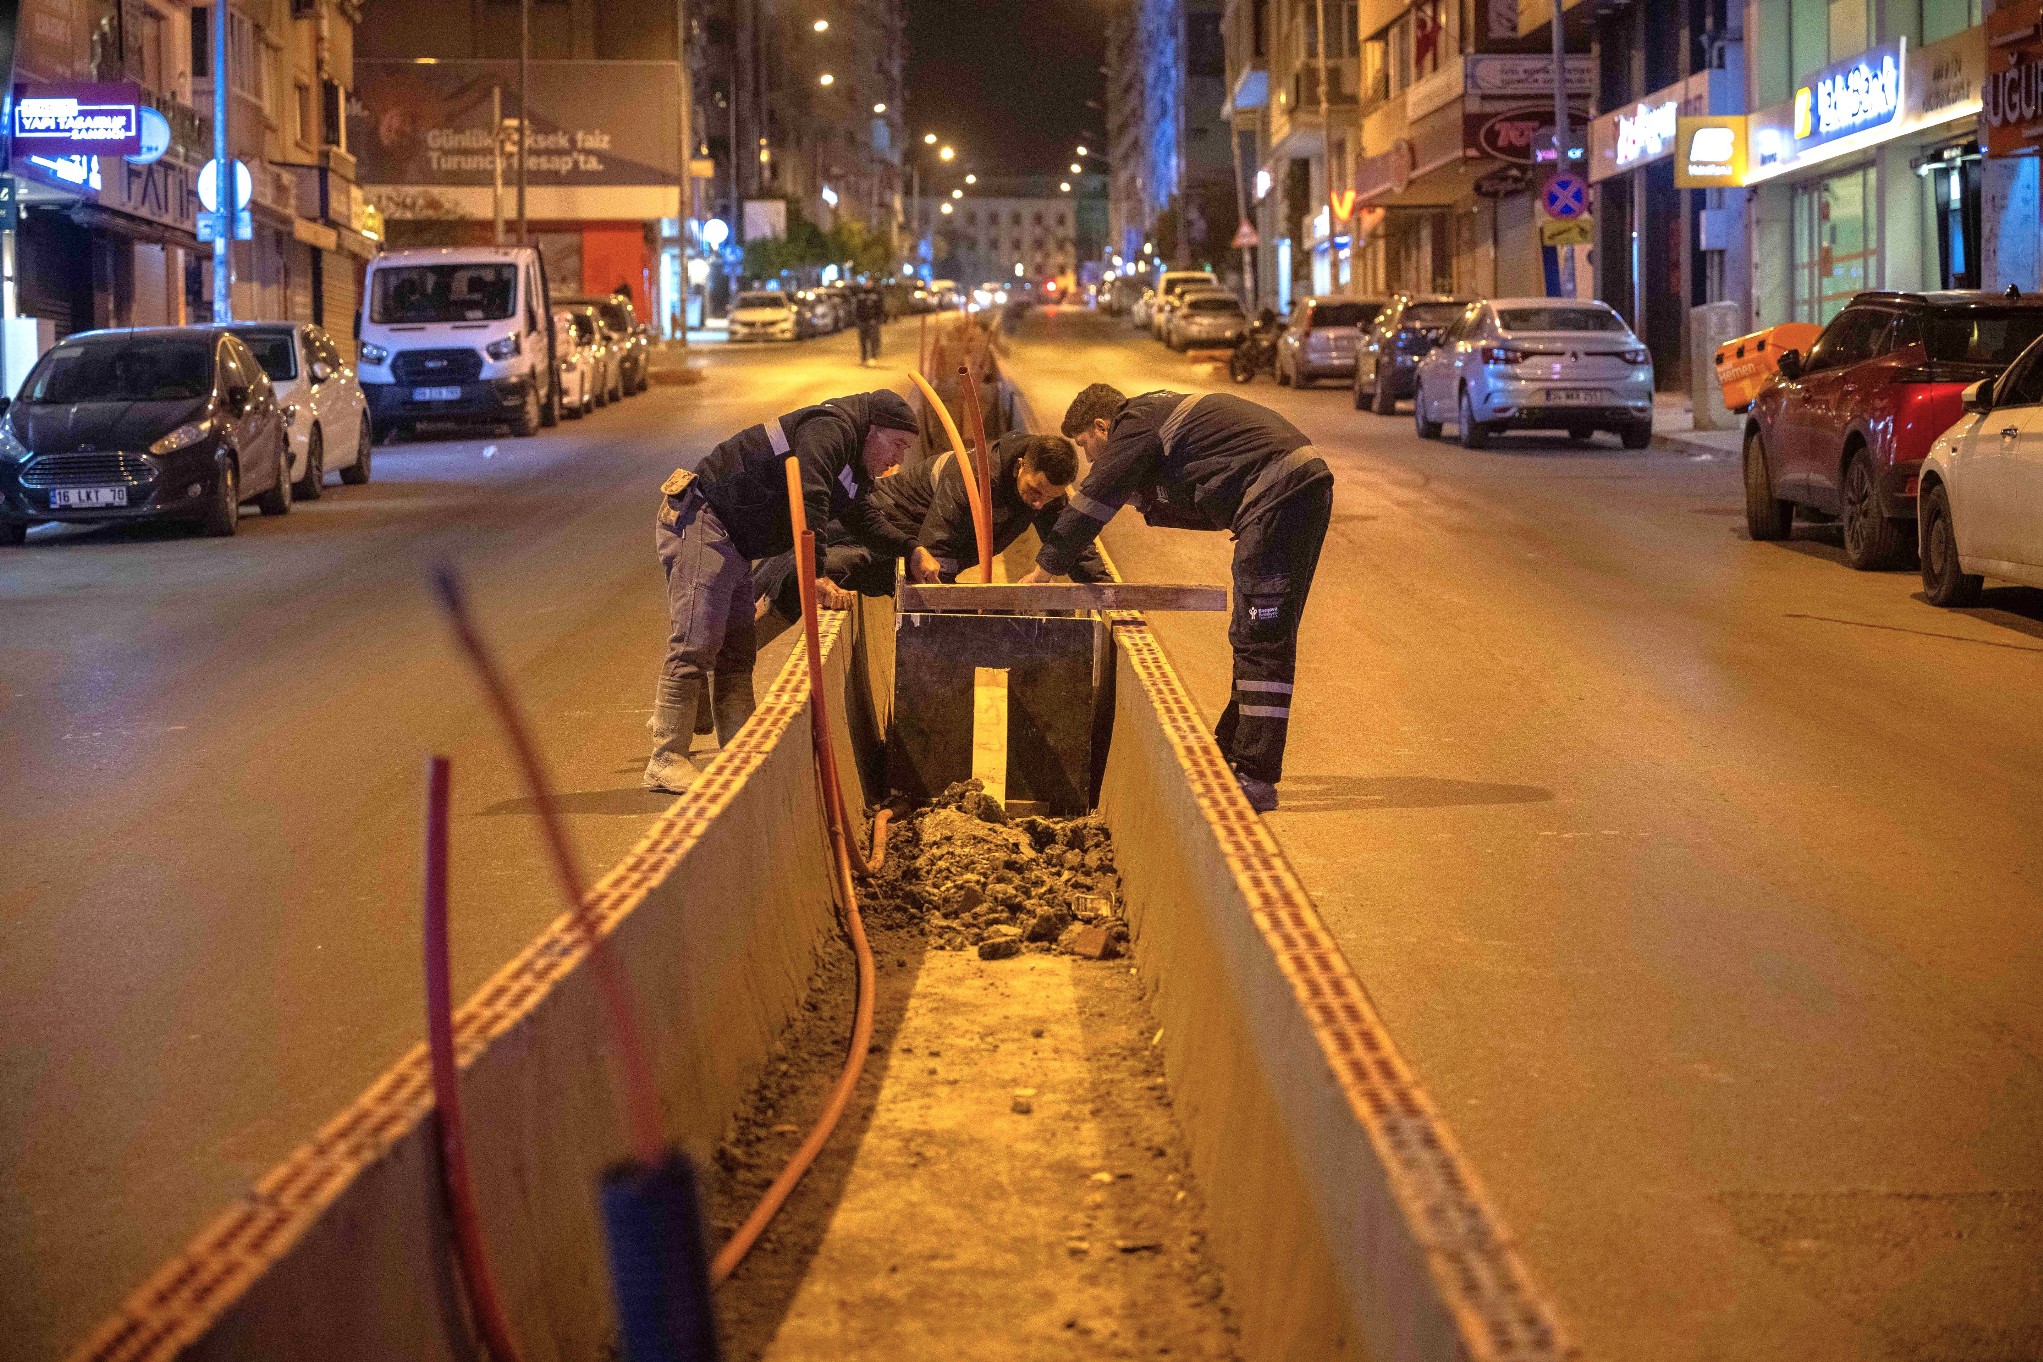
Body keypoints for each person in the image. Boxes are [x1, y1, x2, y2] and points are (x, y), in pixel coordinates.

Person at [1022, 384, 1332, 813]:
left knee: (1261, 634)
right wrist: (1145, 498)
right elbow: (1202, 497)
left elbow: (1097, 498)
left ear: (1101, 425)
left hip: (1278, 496)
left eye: (1085, 445)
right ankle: (1233, 749)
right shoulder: (1162, 420)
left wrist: (1046, 568)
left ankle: (1256, 775)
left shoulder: (1136, 420)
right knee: (1262, 630)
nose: (1089, 458)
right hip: (1298, 488)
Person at [645, 390, 921, 793]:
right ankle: (666, 758)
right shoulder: (831, 430)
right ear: (873, 430)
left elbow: (862, 519)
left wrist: (911, 550)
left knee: (737, 650)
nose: (898, 460)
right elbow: (809, 497)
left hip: (735, 541)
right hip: (704, 518)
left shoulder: (854, 465)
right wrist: (816, 573)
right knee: (696, 640)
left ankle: (739, 750)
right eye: (897, 445)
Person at [751, 431, 1109, 630]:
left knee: (834, 570)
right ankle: (740, 634)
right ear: (1019, 467)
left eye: (1048, 500)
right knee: (820, 566)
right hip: (886, 522)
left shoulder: (1042, 493)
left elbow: (1069, 539)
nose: (1038, 505)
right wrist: (965, 616)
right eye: (1034, 492)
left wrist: (1106, 590)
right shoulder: (970, 478)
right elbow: (937, 552)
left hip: (911, 545)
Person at [854, 286, 886, 366]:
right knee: (863, 341)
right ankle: (863, 358)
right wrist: (858, 319)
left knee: (873, 340)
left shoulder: (876, 295)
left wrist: (878, 319)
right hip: (862, 321)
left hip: (872, 321)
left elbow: (880, 307)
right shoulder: (860, 295)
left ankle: (873, 357)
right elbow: (857, 308)